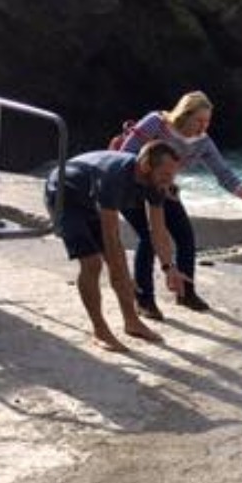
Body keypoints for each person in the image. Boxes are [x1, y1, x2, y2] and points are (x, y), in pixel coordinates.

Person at [118, 91, 242, 316]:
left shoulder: (203, 143)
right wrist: (152, 182)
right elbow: (124, 156)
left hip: (163, 189)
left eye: (207, 121)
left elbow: (226, 176)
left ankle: (185, 293)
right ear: (184, 114)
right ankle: (144, 300)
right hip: (131, 186)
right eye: (199, 120)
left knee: (185, 236)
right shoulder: (156, 122)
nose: (203, 126)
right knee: (148, 238)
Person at [44, 142, 190, 352]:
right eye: (165, 174)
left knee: (117, 262)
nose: (169, 181)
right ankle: (100, 330)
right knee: (93, 262)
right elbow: (111, 236)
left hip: (89, 197)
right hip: (64, 194)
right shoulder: (115, 177)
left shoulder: (156, 184)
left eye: (173, 174)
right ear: (146, 165)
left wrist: (169, 267)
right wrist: (122, 272)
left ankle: (132, 322)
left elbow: (157, 231)